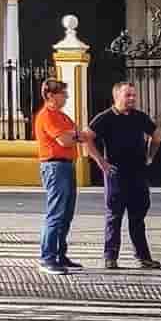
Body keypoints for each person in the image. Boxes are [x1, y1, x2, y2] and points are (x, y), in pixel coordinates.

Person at [89, 81, 161, 270]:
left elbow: (157, 134)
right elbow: (86, 137)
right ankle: (110, 257)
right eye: (128, 95)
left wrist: (150, 156)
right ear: (117, 97)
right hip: (116, 173)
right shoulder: (105, 118)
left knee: (138, 217)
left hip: (138, 172)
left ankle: (143, 257)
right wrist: (101, 162)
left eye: (133, 95)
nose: (132, 99)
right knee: (114, 215)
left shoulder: (140, 117)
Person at [33, 80, 99, 275]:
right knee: (56, 213)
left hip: (66, 165)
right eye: (63, 93)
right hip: (54, 166)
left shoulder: (61, 116)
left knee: (66, 213)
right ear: (51, 96)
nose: (66, 97)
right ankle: (47, 257)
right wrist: (75, 135)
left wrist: (74, 135)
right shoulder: (47, 116)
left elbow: (78, 135)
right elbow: (65, 139)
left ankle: (60, 254)